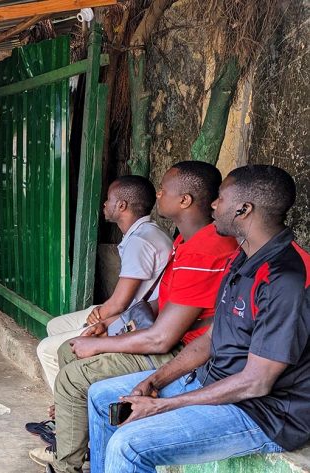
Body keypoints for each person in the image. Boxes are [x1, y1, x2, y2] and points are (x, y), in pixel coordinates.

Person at [86, 165, 310, 473]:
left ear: (243, 209)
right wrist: (154, 381)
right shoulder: (243, 257)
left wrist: (163, 405)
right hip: (213, 380)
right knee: (102, 398)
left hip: (262, 412)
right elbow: (212, 336)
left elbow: (256, 382)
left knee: (130, 444)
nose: (214, 205)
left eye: (220, 198)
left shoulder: (288, 278)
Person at [32, 161, 239, 472]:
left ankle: (66, 464)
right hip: (172, 336)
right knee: (68, 350)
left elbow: (162, 339)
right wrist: (112, 327)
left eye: (164, 189)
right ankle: (82, 439)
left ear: (185, 201)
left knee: (74, 377)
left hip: (185, 352)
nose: (158, 193)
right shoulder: (186, 241)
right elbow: (162, 303)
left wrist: (102, 344)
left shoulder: (204, 250)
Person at [36, 175, 172, 392]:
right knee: (55, 326)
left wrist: (97, 319)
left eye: (108, 199)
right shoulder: (146, 232)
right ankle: (73, 386)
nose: (105, 204)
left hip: (132, 318)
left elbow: (119, 304)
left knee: (45, 349)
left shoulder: (139, 241)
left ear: (122, 205)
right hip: (132, 309)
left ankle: (64, 407)